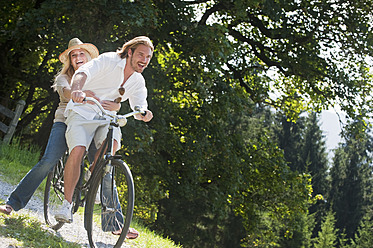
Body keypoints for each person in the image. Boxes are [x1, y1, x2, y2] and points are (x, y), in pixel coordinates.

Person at [55, 36, 154, 236]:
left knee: (113, 143)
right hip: (82, 112)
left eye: (148, 57)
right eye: (141, 54)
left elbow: (139, 103)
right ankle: (66, 205)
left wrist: (144, 112)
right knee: (78, 150)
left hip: (106, 117)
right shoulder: (109, 60)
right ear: (130, 52)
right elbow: (83, 72)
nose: (144, 59)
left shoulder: (138, 80)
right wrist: (76, 90)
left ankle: (94, 175)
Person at [0, 38, 102, 216]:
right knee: (49, 160)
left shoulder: (98, 77)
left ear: (88, 57)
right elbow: (66, 92)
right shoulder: (64, 77)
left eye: (81, 54)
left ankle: (116, 221)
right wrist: (79, 93)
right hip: (64, 121)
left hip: (90, 122)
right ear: (70, 61)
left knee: (104, 161)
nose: (78, 57)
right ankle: (13, 202)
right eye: (73, 55)